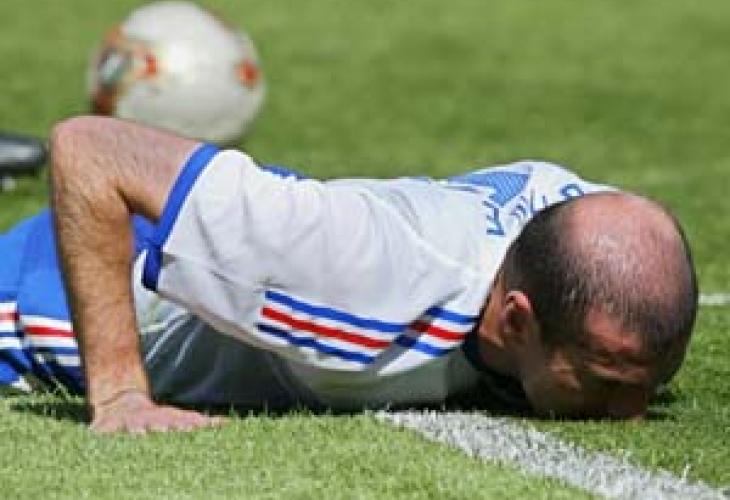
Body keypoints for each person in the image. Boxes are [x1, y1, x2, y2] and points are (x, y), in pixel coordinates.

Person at [0, 116, 697, 432]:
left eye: (648, 384)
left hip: (277, 245)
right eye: (608, 384)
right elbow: (89, 150)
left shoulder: (581, 223)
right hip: (52, 288)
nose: (632, 415)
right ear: (515, 318)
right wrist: (122, 395)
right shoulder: (369, 281)